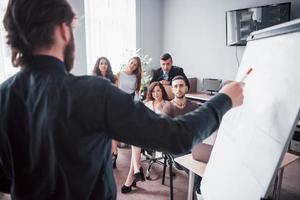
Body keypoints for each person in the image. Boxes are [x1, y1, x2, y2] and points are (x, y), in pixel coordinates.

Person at [0, 0, 244, 199]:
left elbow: (4, 179)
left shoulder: (3, 96)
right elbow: (177, 137)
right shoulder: (95, 92)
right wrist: (224, 99)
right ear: (64, 30)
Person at [121, 81, 169, 194]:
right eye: (153, 91)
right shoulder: (148, 104)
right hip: (146, 134)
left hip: (160, 137)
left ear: (162, 91)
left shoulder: (167, 104)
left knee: (135, 138)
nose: (156, 94)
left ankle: (135, 173)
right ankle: (135, 172)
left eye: (158, 91)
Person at [92, 57, 118, 168]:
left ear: (108, 66)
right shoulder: (93, 78)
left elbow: (116, 93)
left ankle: (114, 154)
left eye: (105, 64)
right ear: (98, 65)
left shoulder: (113, 78)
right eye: (101, 63)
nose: (103, 65)